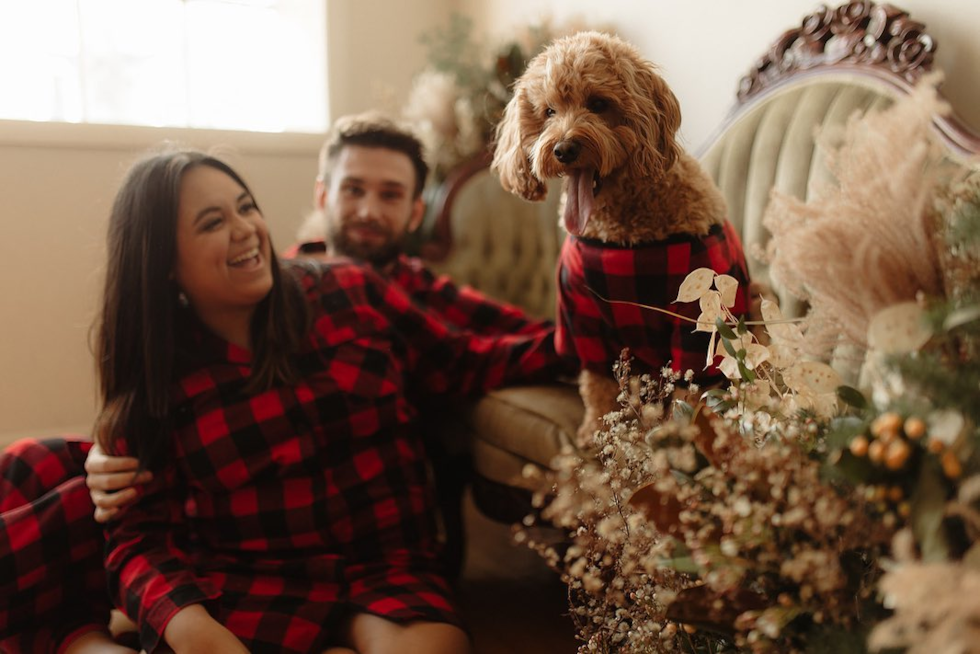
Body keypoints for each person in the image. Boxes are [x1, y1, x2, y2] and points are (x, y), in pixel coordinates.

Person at [98, 148, 560, 652]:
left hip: (388, 571)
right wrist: (194, 631)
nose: (246, 229)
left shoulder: (350, 289)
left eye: (247, 207)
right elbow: (137, 538)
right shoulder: (157, 374)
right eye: (212, 223)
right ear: (162, 260)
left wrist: (588, 341)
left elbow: (464, 359)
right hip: (248, 584)